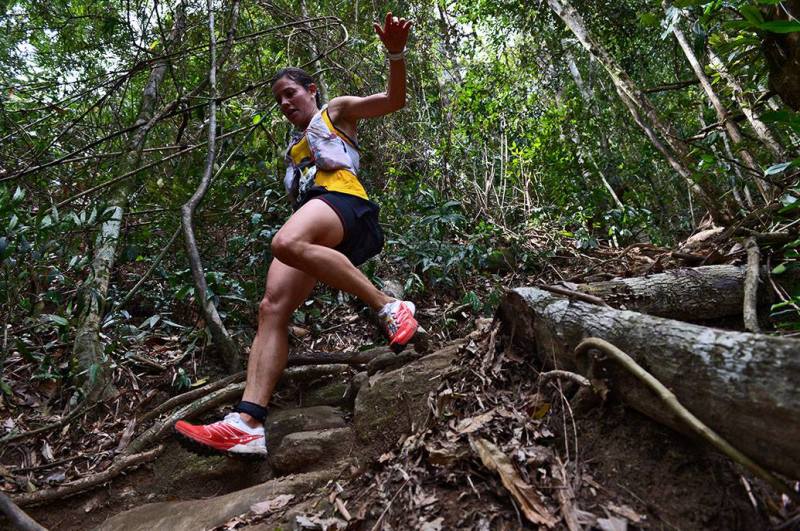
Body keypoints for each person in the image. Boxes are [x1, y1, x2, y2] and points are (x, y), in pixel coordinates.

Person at [174, 13, 417, 458]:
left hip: (344, 203)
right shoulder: (293, 149)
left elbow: (393, 100)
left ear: (311, 91)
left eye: (291, 93)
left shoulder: (336, 111)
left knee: (284, 243)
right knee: (272, 308)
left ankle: (389, 306)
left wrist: (396, 54)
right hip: (314, 218)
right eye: (279, 100)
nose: (285, 103)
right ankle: (247, 423)